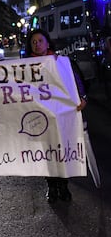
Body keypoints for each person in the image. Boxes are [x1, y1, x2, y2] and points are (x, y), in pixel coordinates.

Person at [25, 28, 87, 204]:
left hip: (61, 115)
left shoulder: (60, 62)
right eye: (33, 42)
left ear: (47, 43)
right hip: (39, 117)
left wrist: (82, 98)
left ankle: (63, 185)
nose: (37, 44)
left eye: (40, 41)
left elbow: (75, 81)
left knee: (62, 151)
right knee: (46, 153)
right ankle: (51, 186)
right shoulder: (24, 66)